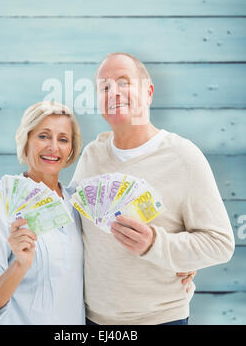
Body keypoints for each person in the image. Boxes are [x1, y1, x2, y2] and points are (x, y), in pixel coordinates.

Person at [71, 52, 235, 326]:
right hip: (92, 320)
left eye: (124, 82)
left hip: (160, 320)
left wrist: (156, 245)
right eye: (104, 87)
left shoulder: (183, 157)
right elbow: (71, 227)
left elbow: (220, 244)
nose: (114, 92)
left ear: (148, 93)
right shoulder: (91, 155)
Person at [0, 101, 85, 325]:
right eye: (43, 136)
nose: (53, 147)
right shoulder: (1, 208)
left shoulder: (80, 206)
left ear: (71, 149)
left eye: (63, 139)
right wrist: (20, 264)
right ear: (25, 142)